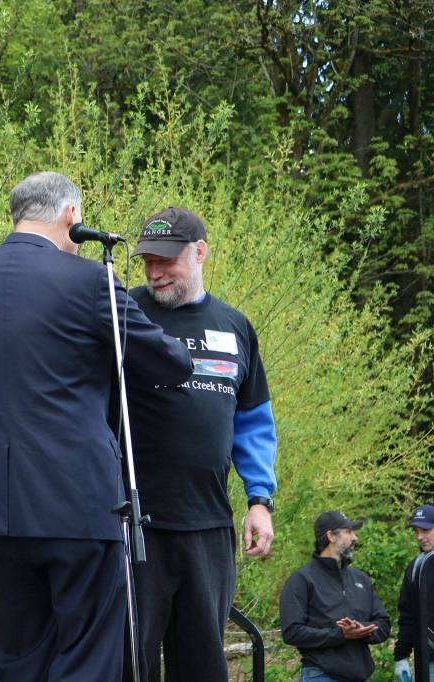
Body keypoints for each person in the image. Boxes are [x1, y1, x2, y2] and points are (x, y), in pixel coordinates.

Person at [0, 172, 193, 680]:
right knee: (88, 656)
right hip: (80, 502)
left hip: (1, 505)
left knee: (18, 658)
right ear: (71, 216)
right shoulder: (88, 281)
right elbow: (170, 363)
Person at [123, 207, 278, 681]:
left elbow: (253, 424)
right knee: (129, 663)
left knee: (204, 666)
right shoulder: (121, 312)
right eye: (147, 260)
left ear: (201, 253)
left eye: (166, 260)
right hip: (131, 528)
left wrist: (259, 500)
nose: (154, 272)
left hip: (208, 526)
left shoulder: (236, 327)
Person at [280, 511, 391, 682]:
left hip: (361, 675)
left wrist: (362, 630)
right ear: (331, 535)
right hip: (321, 675)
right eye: (349, 531)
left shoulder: (361, 579)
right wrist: (339, 634)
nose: (355, 538)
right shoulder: (302, 579)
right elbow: (292, 632)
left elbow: (383, 623)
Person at [394, 504, 434, 682]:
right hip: (427, 663)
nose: (420, 537)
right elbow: (407, 616)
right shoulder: (415, 568)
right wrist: (401, 656)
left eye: (426, 530)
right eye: (416, 531)